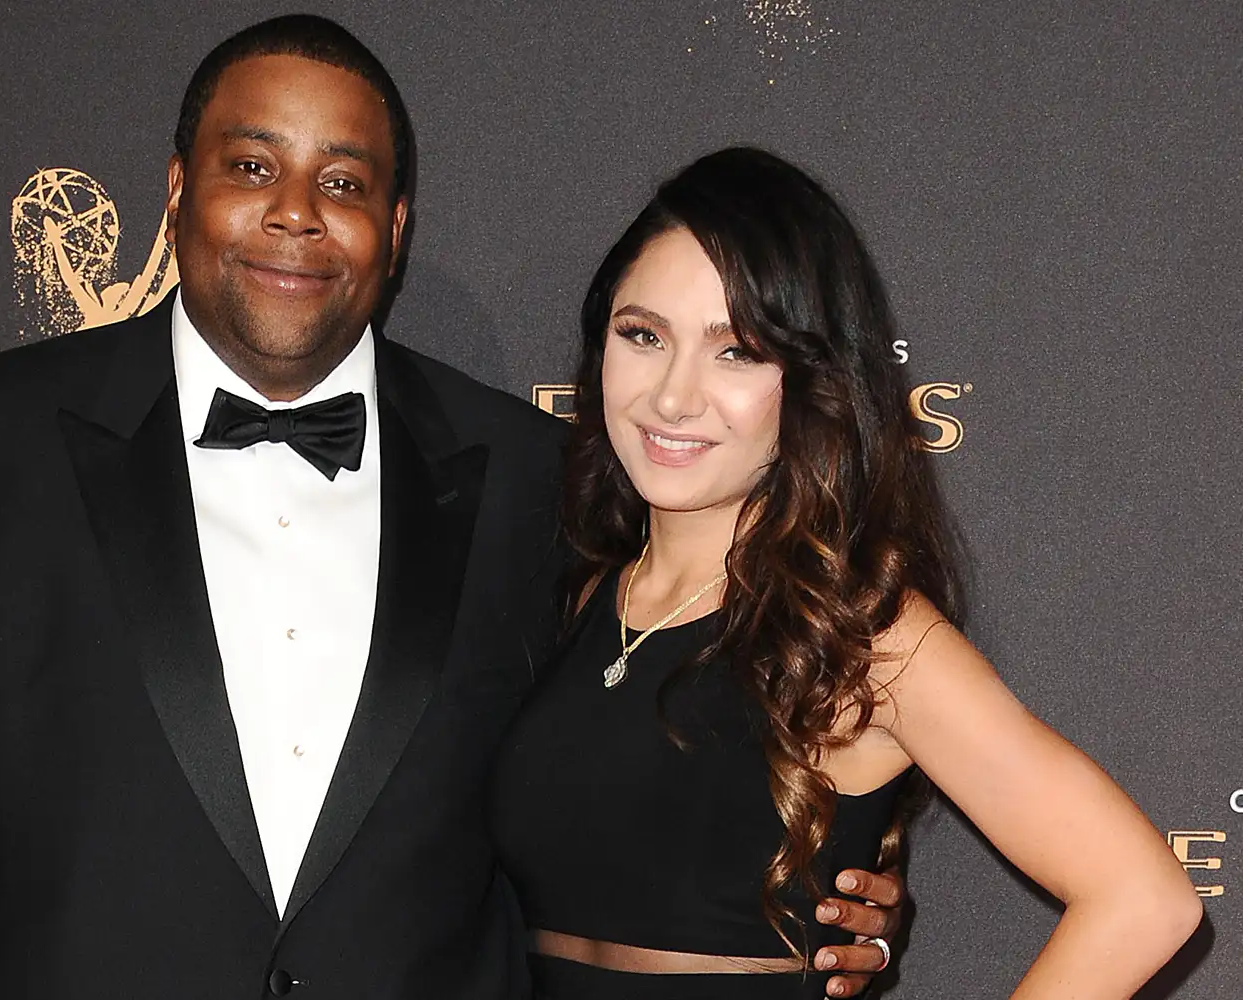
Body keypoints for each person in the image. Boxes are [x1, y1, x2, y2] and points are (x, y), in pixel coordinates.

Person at [0, 17, 902, 1000]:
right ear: (179, 188)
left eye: (343, 182)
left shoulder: (539, 475)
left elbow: (641, 757)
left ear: (397, 224)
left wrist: (834, 881)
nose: (295, 213)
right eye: (251, 165)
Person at [490, 147, 1203, 999]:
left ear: (810, 378)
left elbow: (1144, 900)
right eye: (643, 335)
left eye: (737, 352)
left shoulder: (863, 632)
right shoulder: (577, 592)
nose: (673, 397)